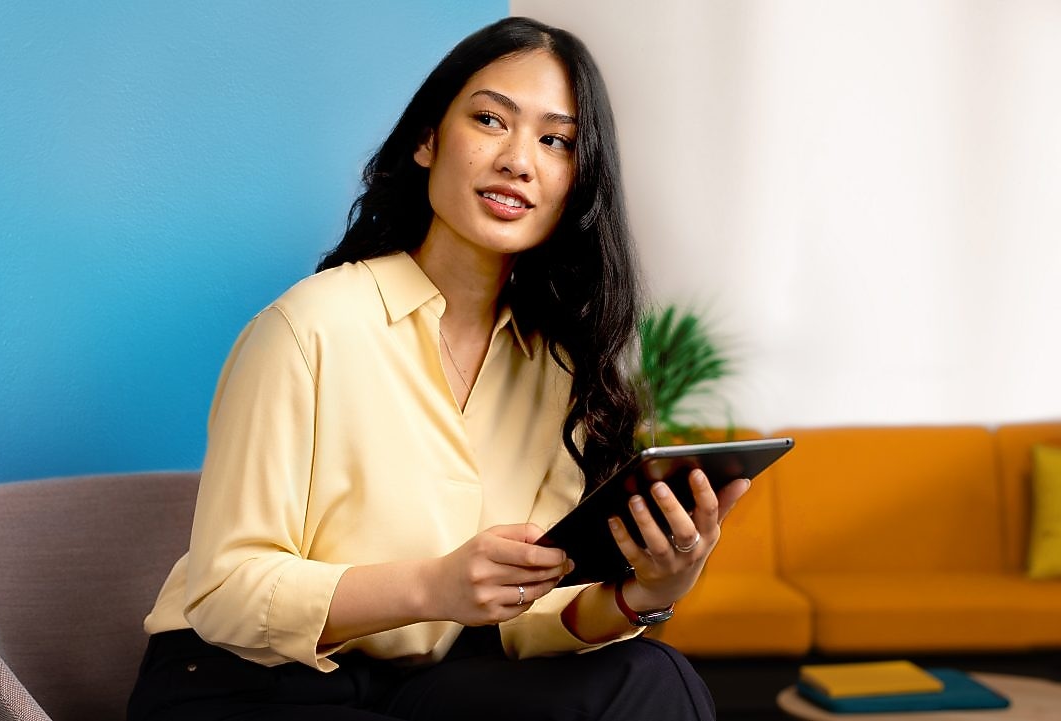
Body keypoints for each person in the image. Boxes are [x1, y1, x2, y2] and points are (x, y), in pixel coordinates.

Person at [127, 16, 750, 721]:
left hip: (413, 687)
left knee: (650, 674)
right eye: (491, 120)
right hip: (242, 683)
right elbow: (224, 595)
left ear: (577, 181)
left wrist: (649, 591)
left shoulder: (551, 365)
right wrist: (434, 587)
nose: (520, 160)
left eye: (556, 141)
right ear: (428, 140)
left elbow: (523, 615)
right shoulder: (307, 329)